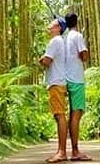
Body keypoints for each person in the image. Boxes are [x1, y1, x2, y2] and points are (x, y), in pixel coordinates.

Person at [40, 18, 68, 163]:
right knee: (58, 115)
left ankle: (62, 152)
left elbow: (46, 61)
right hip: (59, 81)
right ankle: (60, 150)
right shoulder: (60, 41)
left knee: (60, 115)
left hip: (56, 82)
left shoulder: (55, 41)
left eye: (53, 23)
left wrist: (41, 59)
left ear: (58, 28)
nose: (50, 25)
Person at [64, 12, 92, 162]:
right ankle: (75, 151)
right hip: (76, 78)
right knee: (76, 114)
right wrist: (86, 51)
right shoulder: (77, 36)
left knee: (72, 114)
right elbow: (84, 56)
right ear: (77, 22)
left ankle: (73, 149)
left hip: (67, 78)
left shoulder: (65, 37)